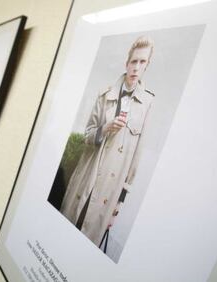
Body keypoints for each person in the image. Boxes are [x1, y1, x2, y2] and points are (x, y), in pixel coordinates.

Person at [60, 36, 155, 250]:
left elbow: (135, 161)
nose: (136, 67)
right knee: (62, 234)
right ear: (126, 63)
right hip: (86, 180)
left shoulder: (147, 104)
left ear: (147, 65)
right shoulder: (104, 95)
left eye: (142, 62)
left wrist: (118, 205)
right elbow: (87, 135)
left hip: (108, 194)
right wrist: (105, 128)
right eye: (134, 61)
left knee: (83, 249)